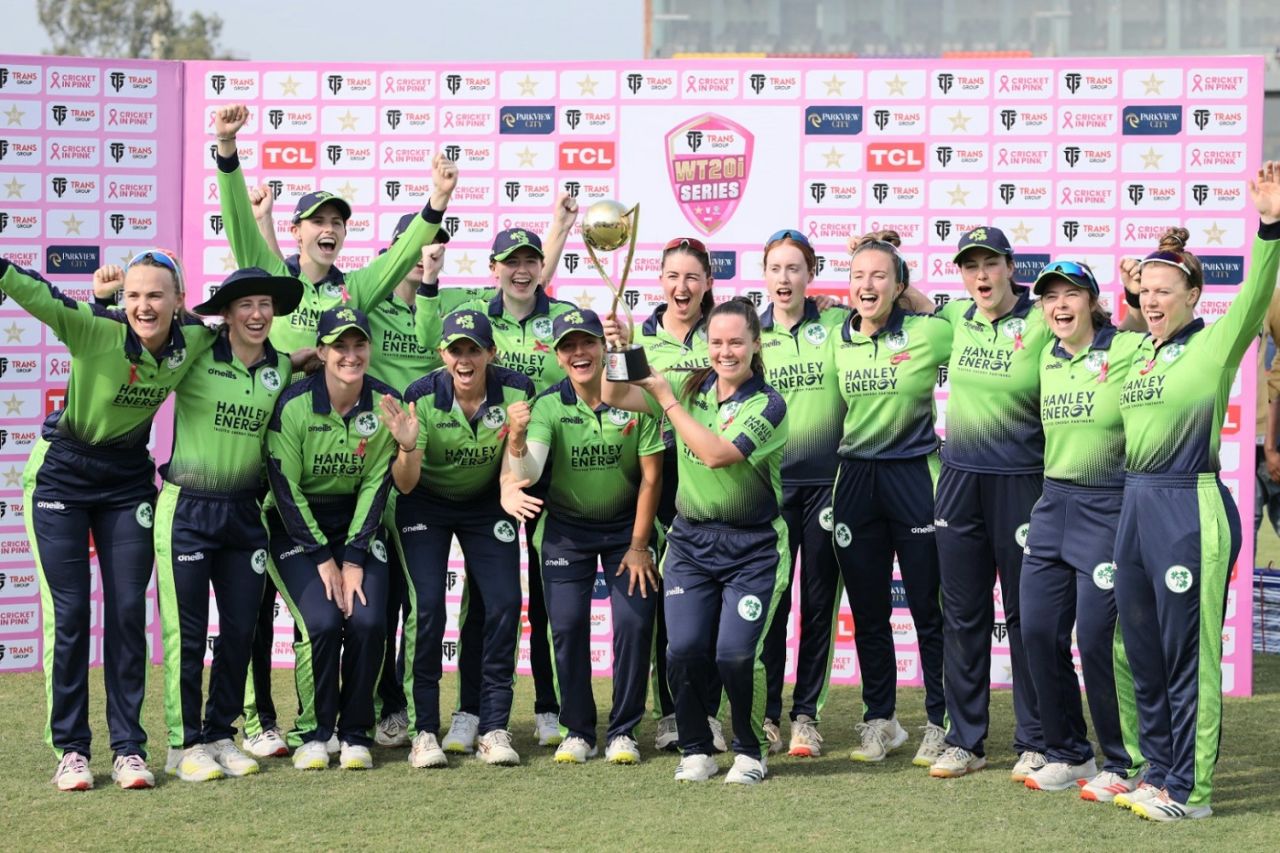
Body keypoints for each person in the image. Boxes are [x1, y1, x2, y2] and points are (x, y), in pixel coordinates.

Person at [213, 103, 457, 756]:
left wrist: (434, 201)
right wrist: (227, 150)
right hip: (259, 472)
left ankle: (331, 720)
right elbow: (240, 225)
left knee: (333, 611)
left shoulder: (358, 293)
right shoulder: (272, 285)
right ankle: (258, 718)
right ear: (294, 231)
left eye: (338, 222)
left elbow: (406, 250)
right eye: (318, 220)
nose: (329, 229)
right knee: (255, 606)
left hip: (336, 472)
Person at [1, 250, 218, 790]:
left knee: (126, 613)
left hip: (126, 481)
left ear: (178, 301)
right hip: (62, 478)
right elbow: (31, 289)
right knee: (71, 614)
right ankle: (72, 751)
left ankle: (128, 750)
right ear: (123, 300)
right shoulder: (94, 327)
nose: (144, 306)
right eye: (135, 295)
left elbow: (245, 335)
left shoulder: (193, 340)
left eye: (156, 295)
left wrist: (309, 356)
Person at [1116, 162, 1280, 821]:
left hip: (1190, 506)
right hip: (1135, 508)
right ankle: (1155, 769)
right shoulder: (1136, 352)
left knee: (1190, 656)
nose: (1153, 300)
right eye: (1145, 290)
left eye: (1166, 290)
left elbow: (1256, 292)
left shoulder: (1213, 345)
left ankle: (1191, 791)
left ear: (1193, 297)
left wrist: (1270, 223)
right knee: (1136, 649)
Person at [603, 297, 789, 786]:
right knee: (682, 650)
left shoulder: (768, 403)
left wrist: (667, 402)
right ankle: (696, 749)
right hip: (689, 545)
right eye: (717, 342)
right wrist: (615, 350)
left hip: (754, 549)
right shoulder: (690, 386)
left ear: (755, 344)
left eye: (735, 342)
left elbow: (717, 455)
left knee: (734, 655)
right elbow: (616, 395)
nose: (725, 352)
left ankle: (750, 753)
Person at [416, 217, 580, 754]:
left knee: (544, 601)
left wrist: (560, 226)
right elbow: (429, 330)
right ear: (494, 270)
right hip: (497, 473)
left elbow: (585, 364)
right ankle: (468, 713)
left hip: (550, 467)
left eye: (531, 260)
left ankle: (549, 708)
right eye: (511, 262)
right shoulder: (476, 313)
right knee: (484, 605)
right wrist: (431, 279)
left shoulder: (559, 317)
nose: (521, 270)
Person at [152, 268, 303, 782]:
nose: (258, 314)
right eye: (246, 305)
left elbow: (303, 366)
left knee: (240, 631)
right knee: (188, 635)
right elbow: (148, 335)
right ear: (227, 313)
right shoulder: (196, 351)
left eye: (265, 304)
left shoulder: (280, 367)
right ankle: (183, 743)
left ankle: (220, 734)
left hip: (244, 513)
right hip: (188, 509)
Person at [501, 309, 664, 764]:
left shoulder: (634, 400)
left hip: (625, 531)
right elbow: (528, 471)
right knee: (567, 627)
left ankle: (624, 731)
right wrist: (515, 439)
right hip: (565, 533)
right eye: (568, 346)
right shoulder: (549, 405)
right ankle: (579, 729)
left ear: (603, 347)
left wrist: (637, 546)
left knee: (633, 624)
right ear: (557, 355)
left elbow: (652, 479)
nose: (579, 353)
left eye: (587, 342)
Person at [381, 309, 536, 767]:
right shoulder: (422, 394)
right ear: (441, 354)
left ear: (492, 352)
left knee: (505, 603)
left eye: (474, 350)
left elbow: (518, 458)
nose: (464, 359)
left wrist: (513, 464)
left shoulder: (516, 390)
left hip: (487, 503)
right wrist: (407, 446)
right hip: (424, 503)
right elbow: (405, 484)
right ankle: (424, 731)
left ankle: (493, 728)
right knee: (427, 607)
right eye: (456, 350)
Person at [1017, 260, 1146, 799]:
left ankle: (1124, 761)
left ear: (1093, 301)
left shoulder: (1124, 348)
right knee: (1038, 632)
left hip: (1106, 507)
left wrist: (1140, 295)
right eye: (1050, 297)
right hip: (1053, 506)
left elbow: (1172, 335)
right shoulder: (1043, 355)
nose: (1060, 305)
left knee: (1095, 638)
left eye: (1071, 295)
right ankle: (1070, 752)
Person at [928, 226, 1051, 780]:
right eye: (970, 265)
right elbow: (900, 296)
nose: (981, 275)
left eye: (990, 264)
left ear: (1009, 266)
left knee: (1027, 616)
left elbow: (1103, 344)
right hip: (959, 478)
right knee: (962, 613)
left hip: (1022, 480)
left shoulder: (1045, 316)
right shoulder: (957, 317)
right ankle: (966, 741)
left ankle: (1035, 738)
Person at [824, 232, 951, 766]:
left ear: (899, 285)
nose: (866, 285)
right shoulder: (834, 335)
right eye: (858, 276)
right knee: (869, 609)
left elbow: (964, 322)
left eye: (879, 275)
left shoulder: (928, 332)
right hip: (854, 480)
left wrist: (908, 288)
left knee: (929, 607)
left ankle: (943, 722)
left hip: (915, 477)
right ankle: (882, 721)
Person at [262, 306, 399, 771]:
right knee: (321, 620)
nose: (351, 354)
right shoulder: (295, 403)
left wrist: (354, 556)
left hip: (356, 530)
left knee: (367, 620)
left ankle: (355, 731)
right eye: (340, 346)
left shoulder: (384, 403)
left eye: (359, 344)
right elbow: (285, 486)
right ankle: (314, 732)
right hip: (296, 528)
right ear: (321, 352)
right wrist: (323, 558)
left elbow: (377, 482)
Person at [603, 236, 717, 752]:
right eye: (673, 276)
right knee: (665, 605)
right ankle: (671, 713)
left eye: (692, 276)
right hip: (659, 472)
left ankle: (706, 713)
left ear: (708, 283)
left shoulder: (723, 333)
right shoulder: (641, 336)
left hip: (715, 473)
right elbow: (612, 395)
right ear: (661, 282)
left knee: (706, 609)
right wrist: (614, 350)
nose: (682, 286)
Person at [751, 229, 847, 758]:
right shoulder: (749, 330)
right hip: (769, 487)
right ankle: (765, 713)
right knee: (771, 603)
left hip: (828, 488)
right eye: (776, 268)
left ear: (810, 273)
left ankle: (805, 716)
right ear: (764, 274)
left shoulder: (835, 322)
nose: (784, 278)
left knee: (817, 603)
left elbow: (893, 311)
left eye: (795, 268)